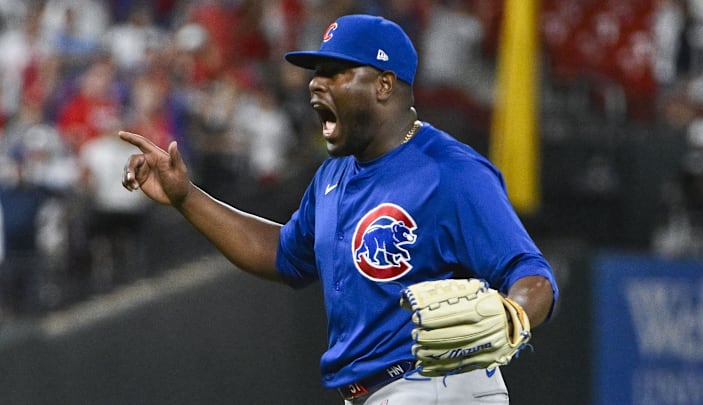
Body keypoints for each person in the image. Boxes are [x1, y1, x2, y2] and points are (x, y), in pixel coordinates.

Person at [120, 14, 558, 404]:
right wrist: (187, 197)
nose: (316, 82)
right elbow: (282, 254)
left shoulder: (451, 172)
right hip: (375, 393)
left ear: (384, 84)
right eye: (317, 72)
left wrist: (513, 314)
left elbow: (532, 273)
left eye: (336, 71)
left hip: (438, 388)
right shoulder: (332, 176)